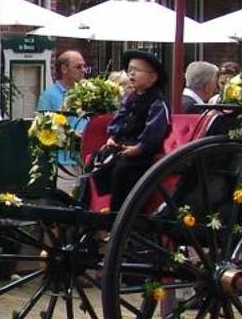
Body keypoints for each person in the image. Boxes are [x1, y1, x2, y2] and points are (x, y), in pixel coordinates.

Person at [91, 50, 170, 208]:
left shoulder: (157, 101)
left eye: (137, 70)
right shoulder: (129, 98)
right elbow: (119, 118)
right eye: (130, 69)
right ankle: (92, 204)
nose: (131, 73)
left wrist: (140, 147)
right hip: (122, 145)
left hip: (142, 153)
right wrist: (113, 137)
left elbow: (154, 129)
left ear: (152, 78)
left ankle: (120, 211)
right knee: (97, 159)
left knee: (124, 169)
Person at [37, 49, 89, 193]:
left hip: (87, 161)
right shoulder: (49, 96)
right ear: (64, 69)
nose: (83, 71)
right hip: (63, 162)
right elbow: (42, 129)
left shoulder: (87, 94)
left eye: (84, 66)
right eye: (78, 67)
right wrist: (71, 134)